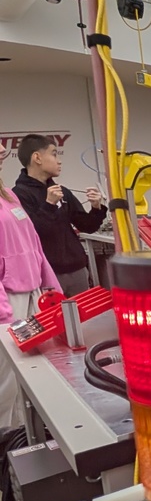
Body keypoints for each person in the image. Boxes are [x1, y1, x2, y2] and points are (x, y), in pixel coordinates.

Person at [0, 177, 62, 427]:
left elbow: (33, 242)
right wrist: (4, 314)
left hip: (33, 293)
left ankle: (38, 431)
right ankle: (9, 437)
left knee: (41, 370)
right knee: (8, 380)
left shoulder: (8, 195)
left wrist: (51, 287)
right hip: (8, 300)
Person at [12, 134, 106, 297]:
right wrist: (49, 205)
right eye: (54, 154)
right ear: (37, 158)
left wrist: (96, 208)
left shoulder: (62, 191)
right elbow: (30, 233)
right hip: (46, 274)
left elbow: (87, 226)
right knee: (53, 314)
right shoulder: (18, 195)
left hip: (77, 270)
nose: (59, 161)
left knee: (82, 313)